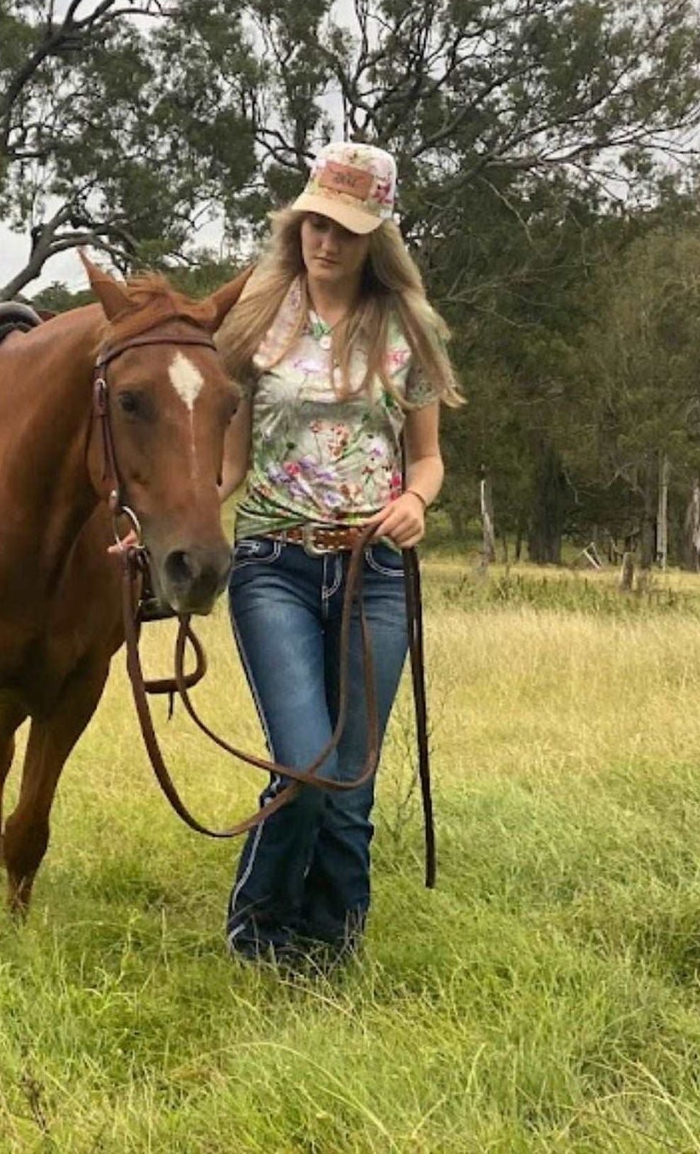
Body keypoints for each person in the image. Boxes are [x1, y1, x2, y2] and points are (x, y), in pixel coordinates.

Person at [215, 142, 463, 968]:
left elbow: (425, 457)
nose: (326, 242)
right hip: (272, 559)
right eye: (316, 222)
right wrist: (154, 529)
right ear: (298, 221)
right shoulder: (256, 314)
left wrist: (414, 502)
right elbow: (223, 461)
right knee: (302, 761)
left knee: (351, 777)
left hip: (373, 572)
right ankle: (258, 934)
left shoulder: (407, 327)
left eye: (346, 230)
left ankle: (333, 949)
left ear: (376, 235)